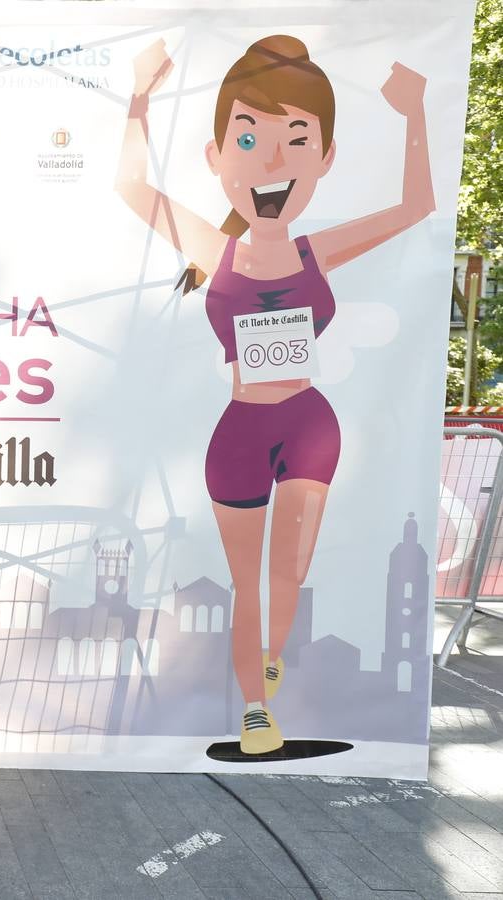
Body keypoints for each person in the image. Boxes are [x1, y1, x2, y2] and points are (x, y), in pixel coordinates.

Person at [116, 36, 433, 754]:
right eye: (249, 137)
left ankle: (270, 655)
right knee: (245, 581)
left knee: (288, 573)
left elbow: (417, 204)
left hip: (309, 425)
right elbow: (132, 190)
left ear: (323, 158)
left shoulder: (319, 251)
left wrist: (414, 112)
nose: (270, 160)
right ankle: (256, 709)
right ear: (217, 156)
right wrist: (140, 94)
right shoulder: (211, 248)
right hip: (241, 434)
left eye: (297, 139)